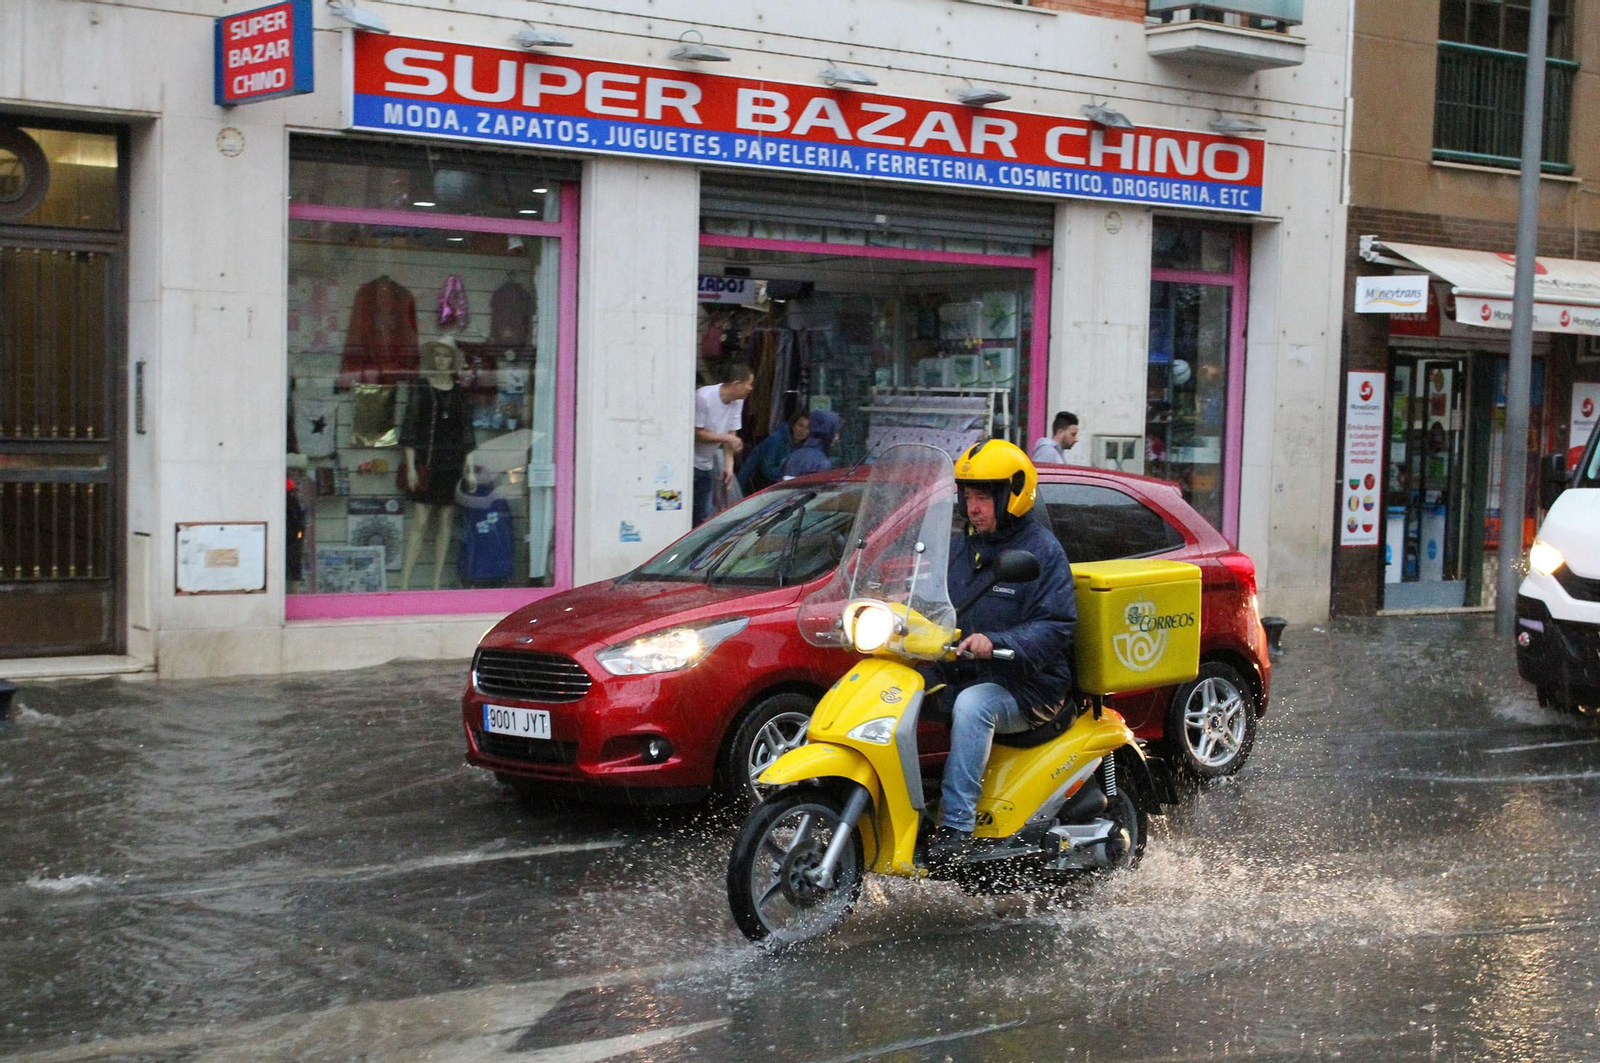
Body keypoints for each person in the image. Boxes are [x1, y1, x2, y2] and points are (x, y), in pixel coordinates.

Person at [928, 439, 1078, 862]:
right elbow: (931, 600)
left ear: (1013, 496)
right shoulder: (962, 547)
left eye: (984, 498)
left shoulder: (1042, 552)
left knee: (975, 706)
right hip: (965, 670)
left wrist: (999, 643)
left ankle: (956, 827)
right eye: (969, 497)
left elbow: (1057, 624)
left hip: (1028, 685)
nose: (974, 508)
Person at [693, 363, 755, 525]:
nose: (751, 388)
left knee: (704, 517)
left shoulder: (737, 402)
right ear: (736, 384)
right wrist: (727, 439)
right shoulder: (703, 397)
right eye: (749, 384)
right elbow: (696, 433)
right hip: (689, 463)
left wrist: (729, 465)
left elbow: (731, 433)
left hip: (707, 464)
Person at [739, 410, 810, 495]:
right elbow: (768, 470)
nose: (802, 431)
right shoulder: (777, 439)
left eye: (807, 428)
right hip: (759, 486)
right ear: (793, 425)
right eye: (800, 425)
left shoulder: (803, 446)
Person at [779, 409, 841, 479]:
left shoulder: (791, 457)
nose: (837, 438)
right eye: (835, 432)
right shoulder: (822, 463)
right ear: (828, 433)